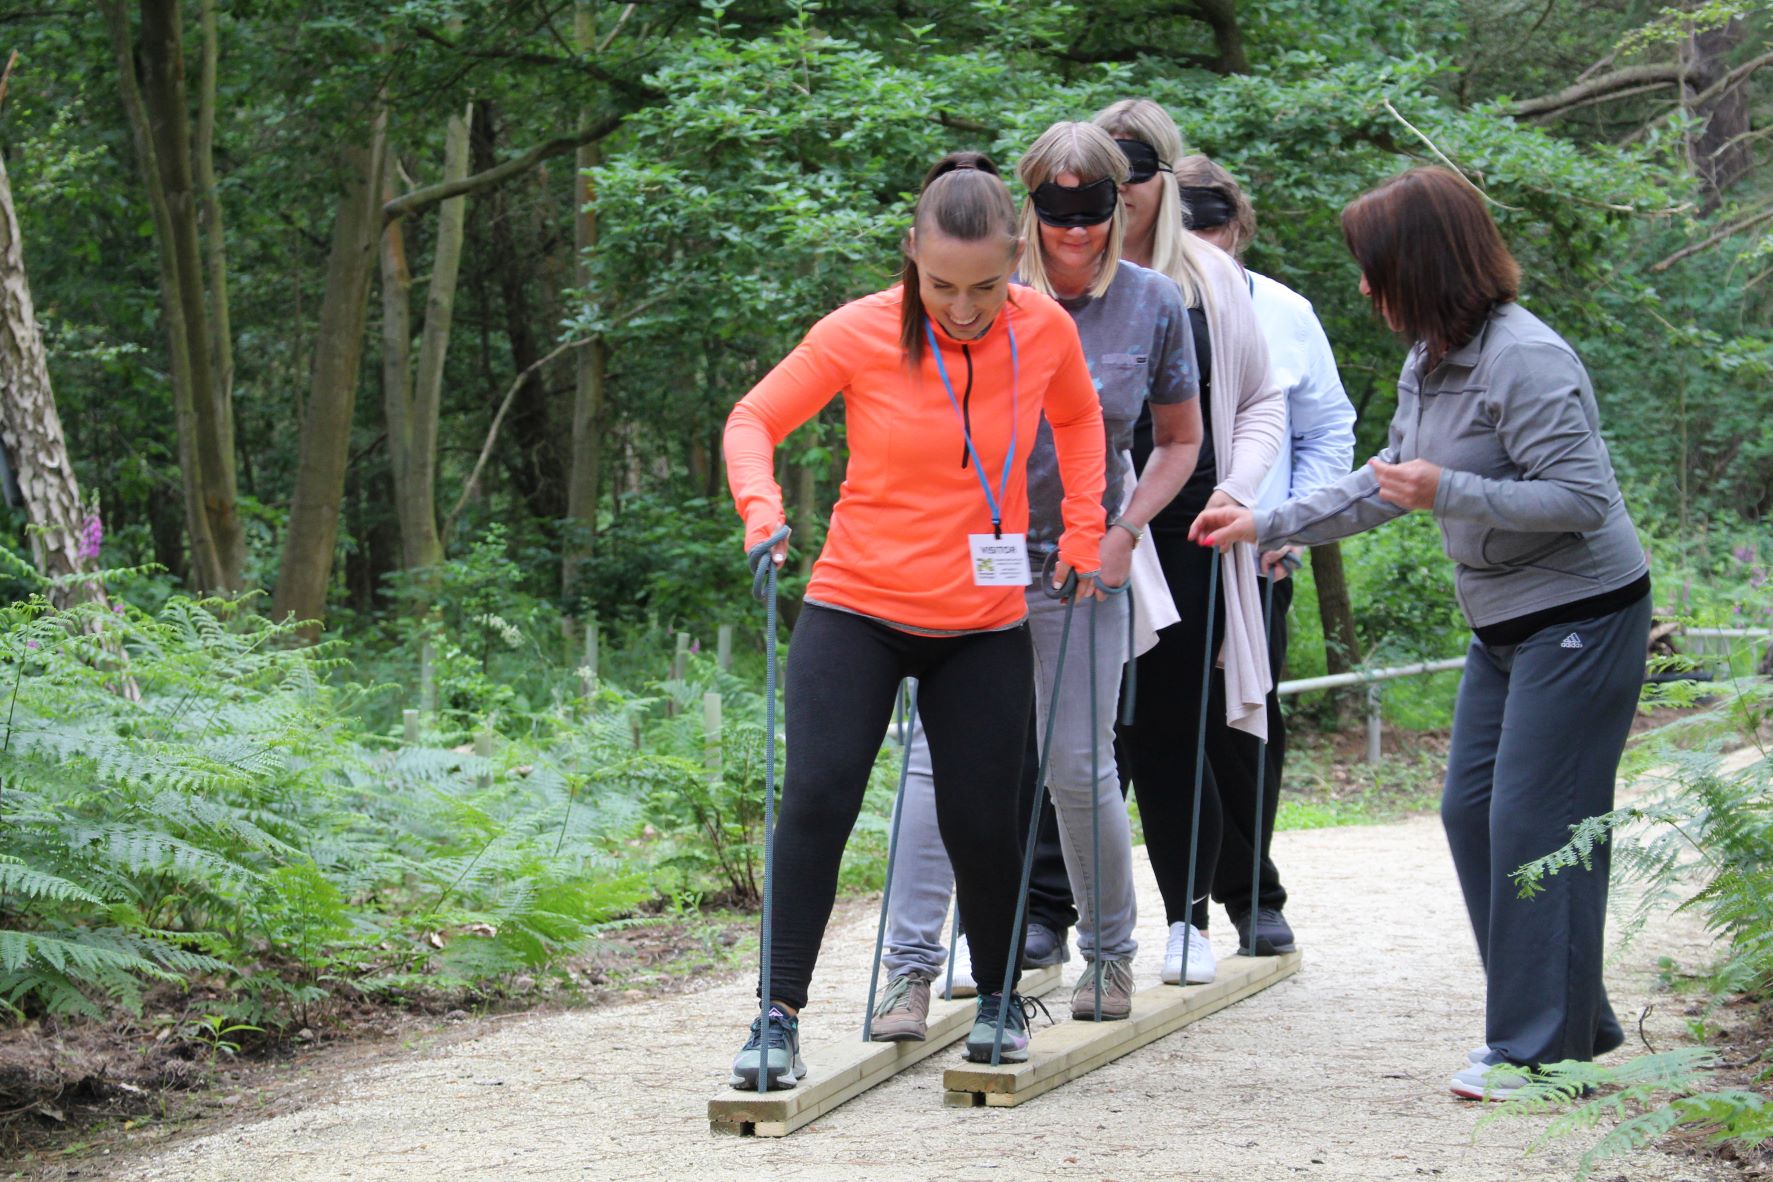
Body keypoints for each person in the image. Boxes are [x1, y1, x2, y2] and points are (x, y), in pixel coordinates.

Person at [1191, 166, 1651, 1099]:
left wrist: (1449, 491)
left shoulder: (1526, 359)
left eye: (1373, 268)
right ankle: (1568, 1018)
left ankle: (1537, 1052)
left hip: (1581, 616)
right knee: (1470, 811)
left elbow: (1580, 500)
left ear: (1423, 265)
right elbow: (1387, 478)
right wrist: (1262, 522)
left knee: (1532, 822)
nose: (1363, 288)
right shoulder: (1433, 355)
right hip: (1505, 622)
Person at [722, 151, 1109, 1085]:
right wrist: (761, 509)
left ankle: (996, 997)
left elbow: (1082, 422)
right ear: (910, 255)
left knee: (984, 818)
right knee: (817, 799)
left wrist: (1087, 528)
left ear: (1015, 257)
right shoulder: (859, 332)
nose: (964, 306)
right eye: (940, 284)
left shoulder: (1044, 329)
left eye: (984, 284)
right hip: (856, 606)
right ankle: (776, 1015)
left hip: (979, 623)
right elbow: (752, 419)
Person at [870, 122, 1203, 1036]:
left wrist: (1127, 532)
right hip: (973, 563)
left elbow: (1178, 440)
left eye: (1093, 213)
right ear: (1027, 213)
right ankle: (905, 970)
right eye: (1055, 215)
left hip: (1082, 567)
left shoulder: (1153, 306)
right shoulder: (978, 292)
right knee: (937, 763)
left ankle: (1110, 954)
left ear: (1123, 205)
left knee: (1076, 767)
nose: (1075, 234)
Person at [1091, 98, 1285, 987]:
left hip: (1189, 520)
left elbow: (1261, 402)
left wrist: (1239, 491)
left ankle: (1186, 916)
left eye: (1136, 170)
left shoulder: (1210, 277)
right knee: (1074, 725)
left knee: (1173, 723)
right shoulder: (1057, 265)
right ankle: (1051, 917)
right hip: (1084, 521)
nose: (1120, 190)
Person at [1170, 154, 1357, 957]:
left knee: (1242, 729)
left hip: (1251, 559)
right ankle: (1077, 914)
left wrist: (1285, 523)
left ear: (1237, 227)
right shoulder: (1134, 302)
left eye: (1212, 225)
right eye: (1185, 227)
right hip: (1142, 552)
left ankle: (1251, 897)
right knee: (1118, 732)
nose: (1201, 242)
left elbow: (1328, 428)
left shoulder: (1282, 312)